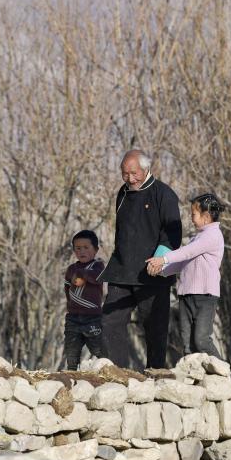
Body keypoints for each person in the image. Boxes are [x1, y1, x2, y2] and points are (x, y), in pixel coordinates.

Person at [99, 149, 182, 369]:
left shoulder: (164, 194)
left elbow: (173, 232)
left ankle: (155, 373)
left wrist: (160, 259)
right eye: (125, 174)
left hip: (152, 271)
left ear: (146, 169)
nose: (130, 178)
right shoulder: (122, 193)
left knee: (155, 328)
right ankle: (115, 373)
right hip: (122, 270)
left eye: (134, 173)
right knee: (109, 321)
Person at [145, 193, 226, 361]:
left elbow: (188, 252)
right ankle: (194, 374)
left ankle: (222, 370)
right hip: (186, 294)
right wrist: (162, 270)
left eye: (193, 214)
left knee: (201, 340)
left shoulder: (213, 235)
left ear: (206, 217)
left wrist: (163, 259)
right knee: (187, 343)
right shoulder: (198, 236)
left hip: (205, 296)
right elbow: (184, 261)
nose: (191, 218)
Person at [62, 230, 106, 370]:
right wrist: (70, 305)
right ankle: (72, 374)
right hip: (73, 318)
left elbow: (97, 278)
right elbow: (67, 288)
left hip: (93, 318)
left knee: (99, 349)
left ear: (96, 250)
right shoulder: (71, 269)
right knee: (71, 350)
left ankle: (108, 371)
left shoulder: (98, 266)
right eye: (78, 248)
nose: (82, 251)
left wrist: (81, 273)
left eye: (86, 247)